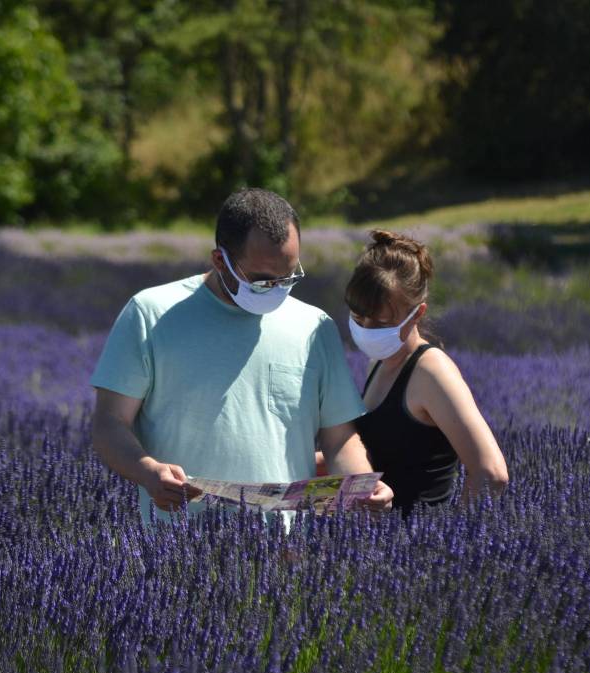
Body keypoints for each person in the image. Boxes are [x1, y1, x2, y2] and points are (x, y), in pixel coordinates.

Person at [89, 188, 393, 523]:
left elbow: (339, 439)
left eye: (288, 276)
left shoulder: (314, 328)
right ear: (220, 260)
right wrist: (147, 471)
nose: (277, 287)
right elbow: (109, 423)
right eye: (263, 280)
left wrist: (362, 486)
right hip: (174, 548)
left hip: (284, 551)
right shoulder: (150, 314)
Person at [340, 230, 508, 513]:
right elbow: (384, 452)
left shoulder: (432, 372)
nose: (366, 330)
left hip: (416, 544)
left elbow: (491, 473)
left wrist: (455, 540)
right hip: (373, 543)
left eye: (380, 323)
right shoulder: (378, 362)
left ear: (416, 314)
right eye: (358, 317)